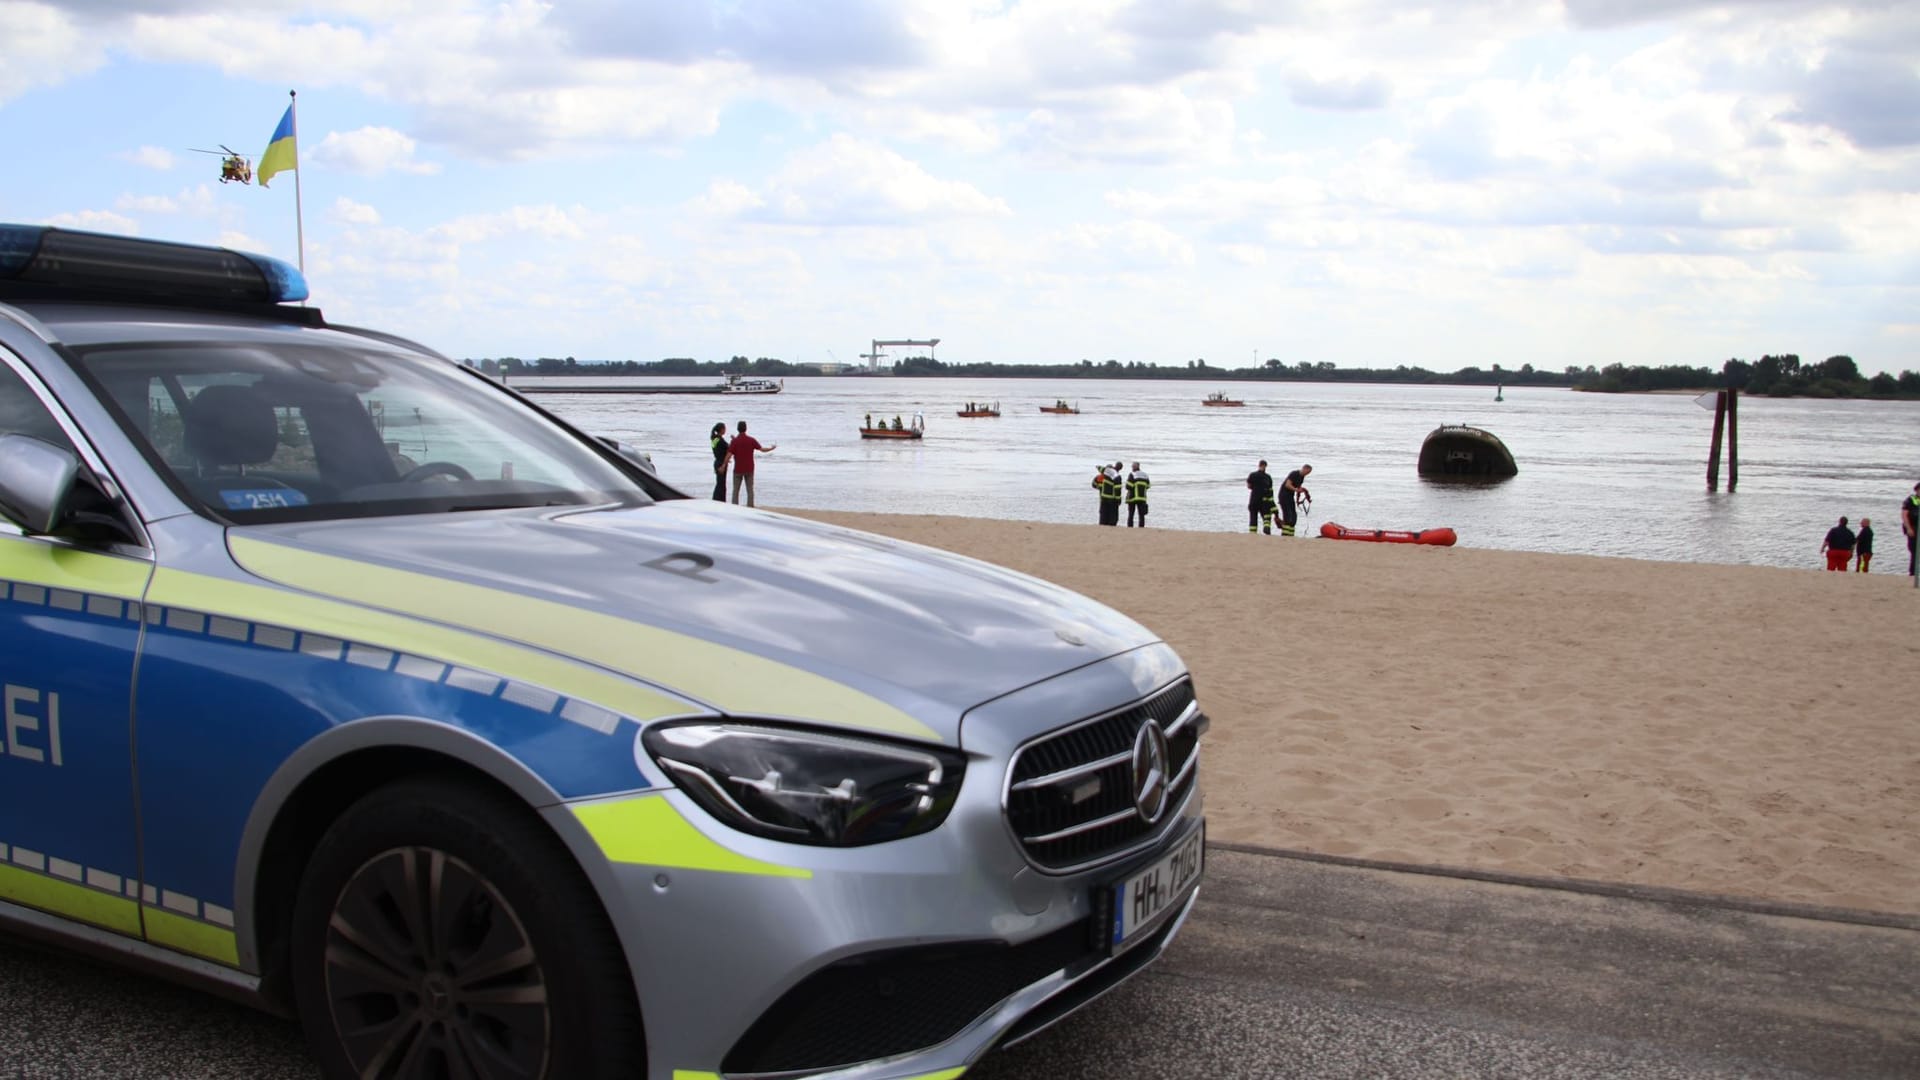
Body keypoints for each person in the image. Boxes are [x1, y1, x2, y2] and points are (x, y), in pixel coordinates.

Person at [728, 420, 775, 506]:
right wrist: (771, 448)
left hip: (738, 468)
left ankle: (734, 506)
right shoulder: (751, 440)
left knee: (735, 490)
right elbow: (762, 450)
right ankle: (750, 506)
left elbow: (729, 454)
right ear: (746, 429)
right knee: (750, 490)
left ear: (738, 429)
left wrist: (724, 464)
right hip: (749, 468)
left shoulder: (735, 441)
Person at [1280, 464, 1313, 538]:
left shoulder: (1302, 477)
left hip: (1290, 496)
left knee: (1294, 517)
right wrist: (1296, 490)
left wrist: (1303, 491)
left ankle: (1291, 535)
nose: (1307, 474)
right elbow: (1287, 485)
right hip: (1284, 496)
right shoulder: (1294, 474)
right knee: (1288, 515)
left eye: (1309, 473)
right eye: (1307, 472)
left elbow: (1298, 486)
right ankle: (1284, 535)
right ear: (1304, 468)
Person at [1247, 460, 1276, 534]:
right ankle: (1267, 529)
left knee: (1253, 517)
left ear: (1259, 465)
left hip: (1254, 499)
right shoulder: (1268, 477)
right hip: (1264, 501)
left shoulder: (1252, 475)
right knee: (1266, 516)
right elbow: (1270, 490)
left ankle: (1252, 533)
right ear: (1265, 466)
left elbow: (1249, 486)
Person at [708, 421, 729, 501]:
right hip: (721, 463)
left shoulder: (714, 439)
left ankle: (716, 499)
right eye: (724, 428)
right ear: (721, 429)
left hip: (717, 461)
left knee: (719, 483)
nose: (725, 430)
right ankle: (720, 500)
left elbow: (716, 450)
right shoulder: (720, 440)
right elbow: (729, 448)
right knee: (721, 484)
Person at [1126, 461, 1150, 527]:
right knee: (1141, 515)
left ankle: (1130, 527)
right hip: (1142, 498)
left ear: (1134, 467)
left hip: (1133, 497)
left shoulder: (1132, 474)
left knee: (1131, 514)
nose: (1132, 467)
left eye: (1132, 466)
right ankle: (1141, 527)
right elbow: (1148, 486)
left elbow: (1128, 486)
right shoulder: (1145, 475)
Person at [1904, 482, 1920, 578]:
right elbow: (1904, 515)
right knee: (1914, 552)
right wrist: (1909, 528)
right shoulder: (1910, 500)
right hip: (1914, 528)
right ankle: (1913, 574)